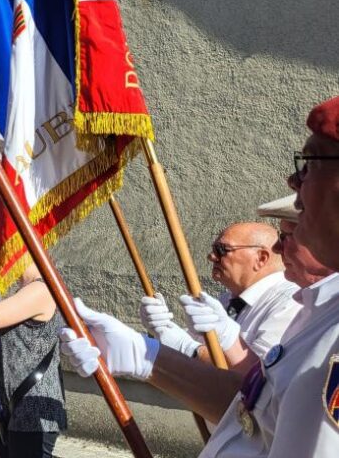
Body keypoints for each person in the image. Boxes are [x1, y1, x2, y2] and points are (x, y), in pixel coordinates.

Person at [59, 96, 339, 457]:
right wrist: (148, 356)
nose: (293, 180)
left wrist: (185, 346)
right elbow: (255, 415)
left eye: (311, 163)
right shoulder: (320, 309)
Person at [0, 227, 67, 457]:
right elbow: (13, 351)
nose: (0, 255)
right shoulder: (26, 290)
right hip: (14, 407)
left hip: (33, 411)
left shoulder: (41, 289)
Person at [139, 222, 299, 367]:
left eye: (222, 250)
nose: (211, 257)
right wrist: (161, 329)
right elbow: (197, 342)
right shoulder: (227, 300)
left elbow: (260, 375)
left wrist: (189, 349)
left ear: (261, 258)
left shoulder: (288, 303)